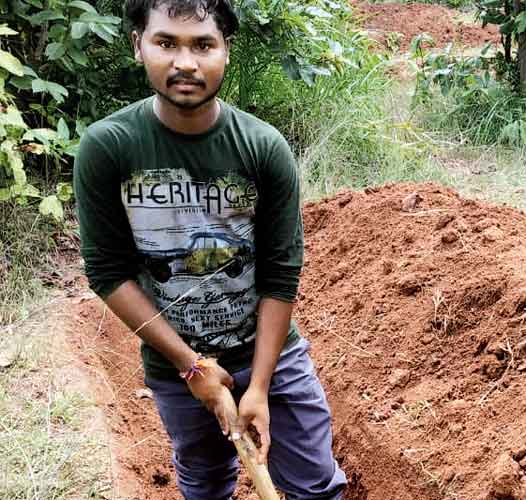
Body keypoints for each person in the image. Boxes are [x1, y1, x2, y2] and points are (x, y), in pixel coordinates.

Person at [73, 0, 347, 497]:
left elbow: (280, 274)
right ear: (138, 45)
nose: (185, 62)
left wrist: (259, 385)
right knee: (205, 485)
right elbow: (108, 272)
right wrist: (191, 367)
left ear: (226, 51)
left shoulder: (263, 147)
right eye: (166, 43)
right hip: (174, 361)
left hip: (271, 355)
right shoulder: (107, 148)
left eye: (203, 44)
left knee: (316, 486)